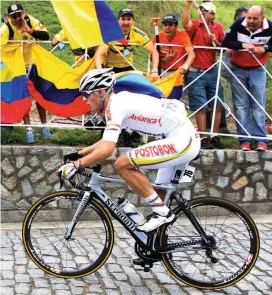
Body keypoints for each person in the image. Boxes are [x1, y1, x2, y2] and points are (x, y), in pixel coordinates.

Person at [58, 68, 200, 235]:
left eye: (86, 94)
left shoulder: (115, 105)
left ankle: (163, 214)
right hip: (177, 138)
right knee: (158, 195)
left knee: (123, 163)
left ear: (101, 92)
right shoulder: (119, 101)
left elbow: (108, 149)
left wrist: (77, 165)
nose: (84, 100)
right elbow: (106, 140)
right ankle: (155, 247)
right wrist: (79, 154)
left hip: (182, 140)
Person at [95, 8, 160, 147]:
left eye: (128, 19)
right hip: (110, 70)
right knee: (109, 102)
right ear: (118, 20)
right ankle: (108, 132)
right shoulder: (110, 33)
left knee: (135, 100)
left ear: (133, 21)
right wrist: (100, 72)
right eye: (123, 19)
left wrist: (154, 70)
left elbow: (154, 52)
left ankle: (135, 131)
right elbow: (99, 54)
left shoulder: (137, 34)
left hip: (128, 70)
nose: (126, 22)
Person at [222, 5, 272, 151]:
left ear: (262, 18)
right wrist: (242, 44)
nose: (250, 21)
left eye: (254, 19)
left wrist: (265, 48)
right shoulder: (239, 24)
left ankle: (261, 140)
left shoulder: (270, 26)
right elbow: (226, 42)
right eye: (249, 17)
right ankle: (245, 140)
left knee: (258, 105)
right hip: (238, 69)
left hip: (258, 69)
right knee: (241, 106)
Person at [0, 3, 51, 143]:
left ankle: (44, 125)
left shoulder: (30, 20)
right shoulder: (6, 28)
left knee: (40, 95)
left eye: (19, 15)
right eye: (13, 16)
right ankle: (28, 128)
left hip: (33, 64)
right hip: (16, 69)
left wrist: (29, 30)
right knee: (24, 97)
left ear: (24, 13)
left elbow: (45, 35)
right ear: (9, 17)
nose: (17, 18)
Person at [182, 0, 225, 149]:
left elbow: (223, 48)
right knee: (200, 105)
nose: (200, 13)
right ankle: (203, 137)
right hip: (195, 72)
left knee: (218, 104)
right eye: (199, 10)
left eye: (204, 11)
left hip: (212, 71)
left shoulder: (218, 27)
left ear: (212, 15)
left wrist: (217, 42)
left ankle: (214, 136)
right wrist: (188, 4)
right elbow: (184, 24)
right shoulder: (195, 24)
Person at [152, 14, 195, 78]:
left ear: (176, 26)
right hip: (162, 71)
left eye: (170, 25)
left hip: (179, 72)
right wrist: (164, 60)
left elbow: (191, 54)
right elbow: (151, 57)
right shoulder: (157, 37)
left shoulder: (183, 35)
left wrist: (186, 65)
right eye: (165, 25)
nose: (167, 27)